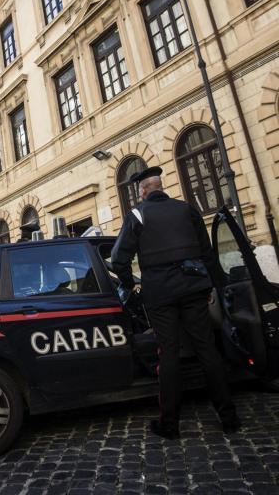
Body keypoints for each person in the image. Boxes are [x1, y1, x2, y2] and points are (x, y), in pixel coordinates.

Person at [111, 165, 241, 439]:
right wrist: (213, 287)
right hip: (194, 289)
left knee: (168, 353)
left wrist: (129, 284)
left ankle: (169, 424)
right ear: (161, 186)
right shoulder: (186, 209)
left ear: (143, 191)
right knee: (207, 349)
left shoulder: (137, 214)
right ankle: (229, 418)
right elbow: (207, 254)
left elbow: (118, 259)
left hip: (160, 295)